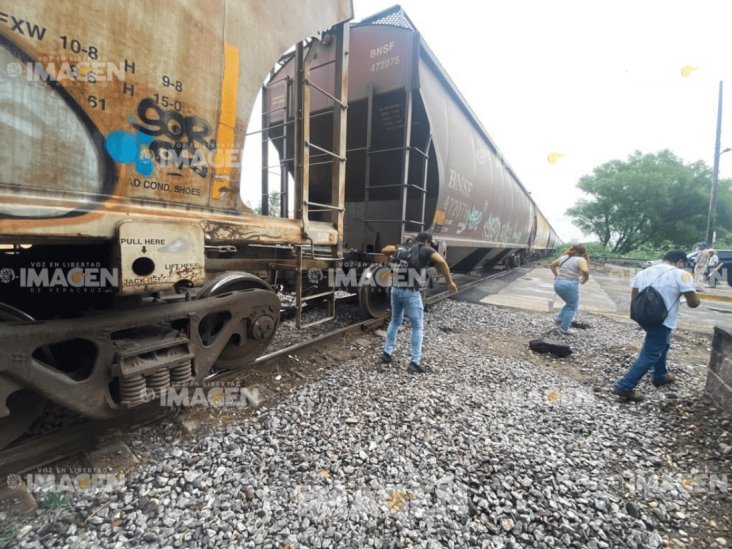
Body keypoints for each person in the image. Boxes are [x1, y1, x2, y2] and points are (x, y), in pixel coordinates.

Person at [613, 250, 700, 402]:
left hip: (644, 317)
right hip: (663, 320)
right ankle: (625, 386)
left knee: (663, 345)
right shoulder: (682, 275)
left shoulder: (643, 273)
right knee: (650, 353)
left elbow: (635, 296)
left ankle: (660, 375)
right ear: (680, 262)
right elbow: (693, 303)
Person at [381, 232, 458, 373]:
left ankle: (387, 353)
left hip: (395, 289)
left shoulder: (403, 247)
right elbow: (441, 262)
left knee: (395, 321)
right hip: (410, 293)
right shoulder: (425, 249)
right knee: (417, 326)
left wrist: (391, 257)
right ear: (427, 242)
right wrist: (449, 282)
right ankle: (414, 362)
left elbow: (385, 249)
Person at [549, 244, 590, 335]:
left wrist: (557, 275)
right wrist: (585, 279)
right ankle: (564, 328)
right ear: (583, 253)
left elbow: (552, 265)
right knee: (572, 306)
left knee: (569, 303)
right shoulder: (581, 260)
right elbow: (585, 271)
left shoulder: (564, 257)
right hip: (569, 285)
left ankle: (559, 319)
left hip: (558, 283)